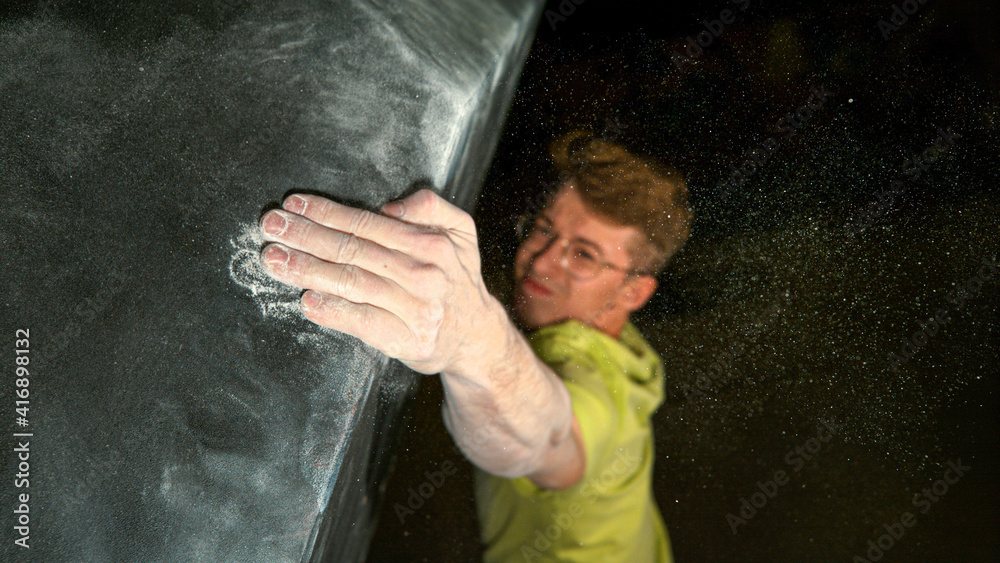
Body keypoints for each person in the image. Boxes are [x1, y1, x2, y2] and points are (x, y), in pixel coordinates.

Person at [258, 130, 693, 561]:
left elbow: (551, 439)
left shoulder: (591, 379)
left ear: (634, 293)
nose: (541, 261)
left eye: (584, 255)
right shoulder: (628, 352)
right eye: (544, 229)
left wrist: (476, 343)